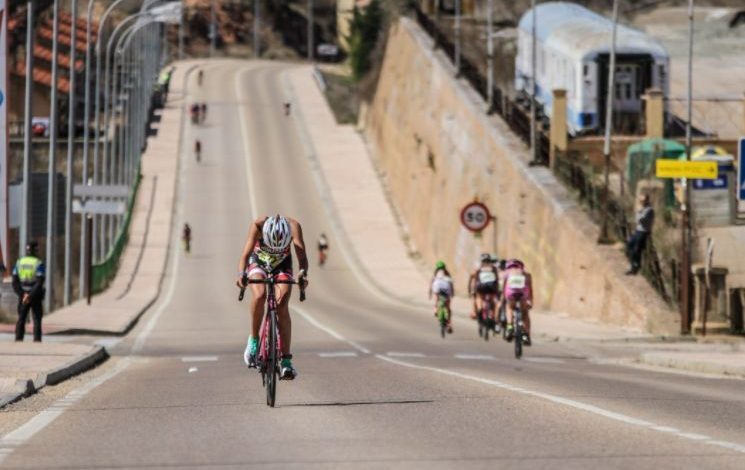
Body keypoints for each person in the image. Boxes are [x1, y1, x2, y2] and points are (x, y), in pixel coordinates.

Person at [236, 215, 308, 380]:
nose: (275, 249)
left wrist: (303, 274)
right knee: (260, 295)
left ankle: (286, 361)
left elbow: (302, 257)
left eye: (280, 247)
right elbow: (245, 255)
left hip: (282, 264)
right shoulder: (258, 225)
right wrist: (242, 274)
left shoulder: (294, 226)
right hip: (259, 261)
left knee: (282, 304)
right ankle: (253, 341)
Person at [12, 241, 45, 342]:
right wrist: (30, 296)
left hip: (22, 295)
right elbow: (40, 282)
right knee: (37, 319)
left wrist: (23, 295)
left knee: (21, 318)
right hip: (35, 295)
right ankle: (37, 341)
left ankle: (18, 340)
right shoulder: (38, 263)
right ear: (35, 250)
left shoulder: (19, 262)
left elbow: (15, 282)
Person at [499, 259, 533, 345]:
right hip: (522, 295)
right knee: (525, 313)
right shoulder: (526, 274)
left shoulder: (507, 273)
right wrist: (530, 300)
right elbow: (530, 289)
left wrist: (502, 298)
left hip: (510, 295)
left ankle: (510, 327)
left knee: (509, 308)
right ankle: (525, 335)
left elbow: (503, 287)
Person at [626, 193, 654, 275]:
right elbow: (637, 219)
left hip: (644, 231)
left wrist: (639, 212)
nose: (642, 202)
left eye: (643, 200)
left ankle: (636, 266)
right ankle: (633, 264)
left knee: (637, 249)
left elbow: (641, 219)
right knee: (630, 244)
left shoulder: (649, 210)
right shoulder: (641, 209)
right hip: (638, 230)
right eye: (641, 201)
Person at [468, 253, 500, 324]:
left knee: (479, 297)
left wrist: (471, 288)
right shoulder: (493, 268)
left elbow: (472, 276)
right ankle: (494, 317)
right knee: (494, 301)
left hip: (481, 288)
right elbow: (497, 279)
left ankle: (479, 311)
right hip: (492, 288)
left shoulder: (479, 268)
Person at [429, 260, 454, 333]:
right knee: (448, 307)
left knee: (436, 298)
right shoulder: (447, 274)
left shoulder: (435, 274)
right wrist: (452, 293)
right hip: (446, 289)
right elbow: (451, 285)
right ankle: (449, 324)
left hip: (437, 288)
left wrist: (430, 293)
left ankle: (436, 309)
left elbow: (431, 285)